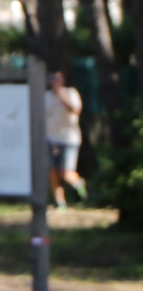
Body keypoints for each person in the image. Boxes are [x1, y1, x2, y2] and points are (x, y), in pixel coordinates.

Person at [47, 68, 87, 209]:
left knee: (66, 172)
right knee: (52, 171)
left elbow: (75, 110)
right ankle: (60, 202)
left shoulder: (71, 93)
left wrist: (62, 96)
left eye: (57, 78)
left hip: (69, 139)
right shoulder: (46, 96)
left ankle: (78, 184)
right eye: (52, 78)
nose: (54, 81)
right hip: (51, 139)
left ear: (63, 80)